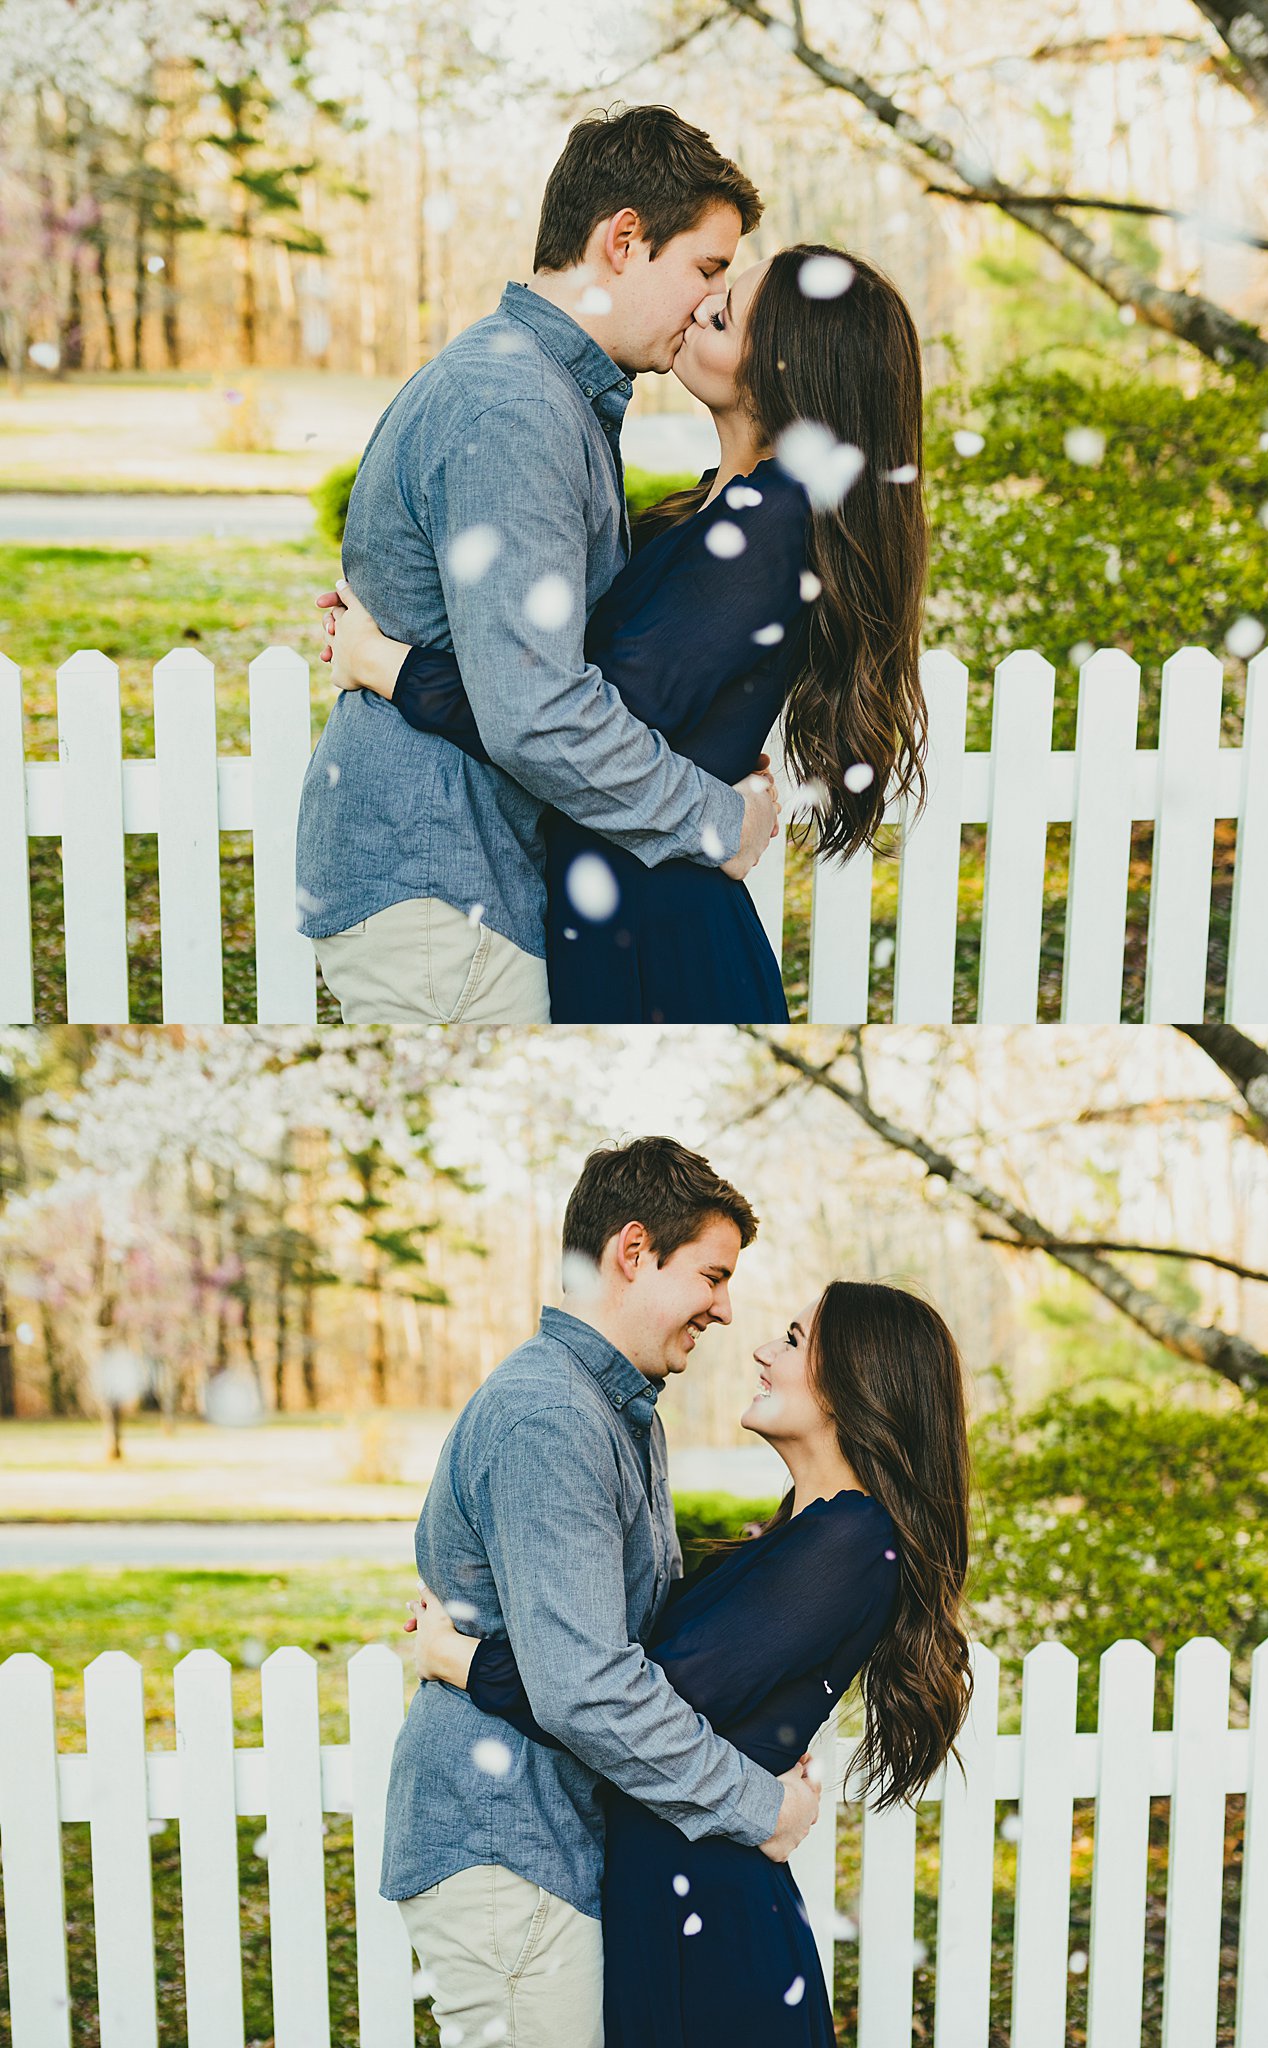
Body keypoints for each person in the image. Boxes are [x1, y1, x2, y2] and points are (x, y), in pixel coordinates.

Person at [321, 239, 929, 1024]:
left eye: (727, 310)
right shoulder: (717, 509)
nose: (699, 310)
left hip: (660, 929)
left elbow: (561, 716)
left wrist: (386, 663)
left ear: (789, 366)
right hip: (622, 901)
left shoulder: (766, 529)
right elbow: (560, 664)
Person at [293, 107, 783, 1026]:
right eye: (706, 269)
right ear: (625, 241)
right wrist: (716, 819)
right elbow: (539, 713)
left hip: (462, 881)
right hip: (446, 885)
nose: (708, 303)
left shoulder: (534, 387)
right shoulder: (515, 406)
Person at [407, 1276, 973, 2048]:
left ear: (861, 1380)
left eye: (797, 1340)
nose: (762, 1348)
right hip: (673, 1896)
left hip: (711, 1917)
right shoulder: (804, 1536)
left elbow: (625, 1694)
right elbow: (625, 1676)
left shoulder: (849, 1542)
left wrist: (460, 1659)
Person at [379, 1138, 822, 2048]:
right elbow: (586, 1686)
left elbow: (641, 1644)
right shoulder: (552, 1417)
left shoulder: (615, 1414)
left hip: (555, 1847)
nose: (727, 1309)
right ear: (632, 1251)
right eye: (712, 1274)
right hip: (511, 1854)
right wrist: (757, 1805)